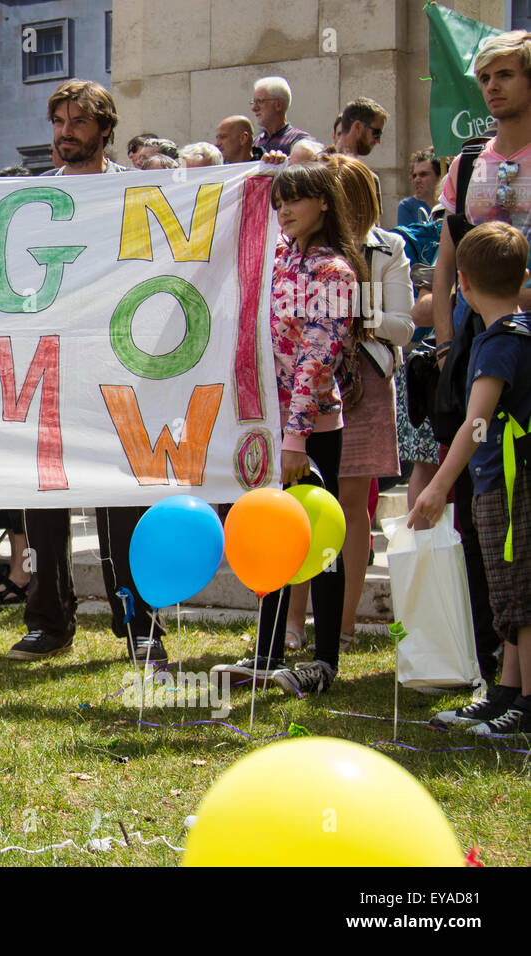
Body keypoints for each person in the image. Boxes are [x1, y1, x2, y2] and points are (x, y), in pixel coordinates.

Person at [7, 78, 165, 665]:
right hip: (49, 370)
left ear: (104, 128)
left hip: (118, 366)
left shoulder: (139, 192)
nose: (64, 132)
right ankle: (49, 620)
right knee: (44, 502)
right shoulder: (31, 200)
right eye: (57, 122)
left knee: (123, 504)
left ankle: (138, 625)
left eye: (77, 122)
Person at [213, 161, 364, 696]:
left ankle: (324, 661)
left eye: (295, 200)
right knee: (274, 534)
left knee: (320, 539)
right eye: (280, 203)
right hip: (269, 424)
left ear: (324, 202)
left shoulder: (336, 273)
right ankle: (267, 650)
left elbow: (316, 358)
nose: (285, 211)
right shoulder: (278, 256)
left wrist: (296, 438)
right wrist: (258, 174)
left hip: (311, 428)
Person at [432, 29, 531, 679]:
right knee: (481, 503)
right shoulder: (468, 163)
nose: (492, 86)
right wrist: (445, 346)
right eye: (485, 76)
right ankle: (492, 658)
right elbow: (444, 264)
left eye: (505, 74)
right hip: (477, 343)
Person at [286, 154, 414, 651]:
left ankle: (341, 623)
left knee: (350, 505)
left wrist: (355, 311)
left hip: (364, 384)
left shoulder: (387, 249)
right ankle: (294, 623)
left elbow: (404, 327)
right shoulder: (299, 251)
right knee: (303, 502)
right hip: (310, 385)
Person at [410, 221, 531, 735]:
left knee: (520, 595)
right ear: (523, 275)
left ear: (459, 282)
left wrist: (438, 486)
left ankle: (526, 705)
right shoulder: (515, 332)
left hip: (509, 485)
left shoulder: (499, 344)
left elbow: (476, 423)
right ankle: (507, 689)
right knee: (508, 593)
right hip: (500, 483)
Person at [252, 77, 310, 155]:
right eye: (253, 102)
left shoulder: (299, 141)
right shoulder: (254, 144)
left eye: (260, 101)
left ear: (278, 105)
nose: (254, 108)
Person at [398, 148, 443, 226]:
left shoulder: (449, 205)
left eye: (423, 174)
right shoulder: (407, 206)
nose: (417, 180)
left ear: (439, 176)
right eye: (414, 176)